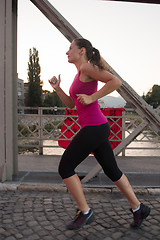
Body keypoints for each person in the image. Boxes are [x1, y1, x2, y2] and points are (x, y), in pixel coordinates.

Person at [49, 38, 151, 230]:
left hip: (94, 127)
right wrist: (58, 89)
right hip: (97, 127)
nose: (67, 52)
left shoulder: (87, 68)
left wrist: (92, 97)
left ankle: (85, 212)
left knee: (65, 168)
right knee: (113, 172)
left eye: (70, 48)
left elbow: (116, 82)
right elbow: (72, 104)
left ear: (82, 50)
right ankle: (139, 209)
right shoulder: (79, 72)